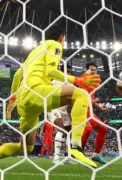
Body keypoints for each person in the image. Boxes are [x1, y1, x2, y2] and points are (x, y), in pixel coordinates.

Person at [3, 25, 100, 167]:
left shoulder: (34, 52)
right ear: (61, 37)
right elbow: (50, 71)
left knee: (25, 147)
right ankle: (75, 147)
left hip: (24, 101)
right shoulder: (55, 44)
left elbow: (17, 76)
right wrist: (77, 80)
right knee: (82, 95)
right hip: (37, 91)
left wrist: (10, 107)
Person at [81, 62, 109, 164]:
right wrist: (93, 101)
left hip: (89, 109)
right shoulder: (84, 81)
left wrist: (100, 108)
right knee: (88, 130)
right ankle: (78, 154)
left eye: (95, 70)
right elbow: (81, 97)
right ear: (87, 71)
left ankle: (96, 155)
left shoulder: (93, 83)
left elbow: (91, 99)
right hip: (82, 108)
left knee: (103, 129)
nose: (93, 71)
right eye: (91, 70)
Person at [47, 64, 75, 164]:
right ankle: (56, 158)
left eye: (70, 71)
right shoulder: (54, 82)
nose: (69, 73)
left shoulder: (71, 84)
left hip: (64, 110)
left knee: (70, 132)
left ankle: (68, 157)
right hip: (53, 109)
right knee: (61, 128)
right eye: (67, 71)